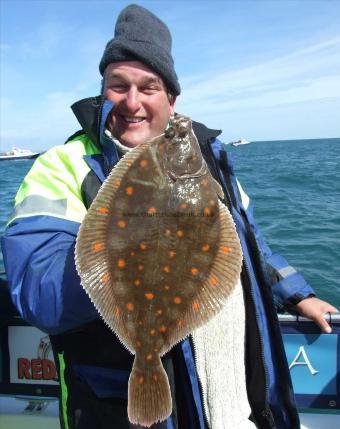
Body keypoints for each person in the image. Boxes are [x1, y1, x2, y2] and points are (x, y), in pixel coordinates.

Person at [1, 4, 337, 429]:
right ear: (101, 91)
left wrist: (295, 291)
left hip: (240, 399)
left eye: (149, 86)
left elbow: (245, 238)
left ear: (172, 97)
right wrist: (126, 241)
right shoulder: (63, 166)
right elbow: (39, 295)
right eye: (117, 86)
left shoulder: (207, 161)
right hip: (132, 409)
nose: (133, 102)